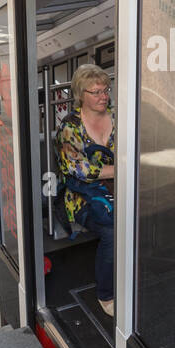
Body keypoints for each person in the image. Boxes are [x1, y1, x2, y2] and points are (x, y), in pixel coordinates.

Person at [56, 64, 116, 317]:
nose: (103, 96)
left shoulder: (119, 115)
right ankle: (106, 294)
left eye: (106, 90)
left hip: (117, 188)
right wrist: (123, 168)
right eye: (96, 92)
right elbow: (78, 170)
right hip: (82, 197)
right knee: (112, 232)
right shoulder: (70, 127)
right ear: (81, 95)